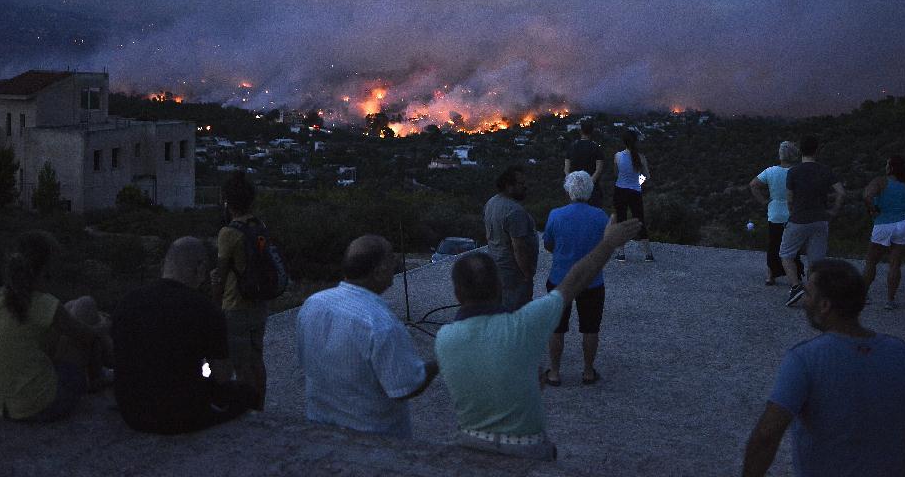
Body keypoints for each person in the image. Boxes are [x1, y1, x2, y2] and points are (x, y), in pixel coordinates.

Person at [435, 216, 641, 460]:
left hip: (469, 445)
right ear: (500, 286)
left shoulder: (444, 339)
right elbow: (574, 281)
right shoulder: (525, 324)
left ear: (458, 293)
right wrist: (608, 244)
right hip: (525, 449)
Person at [742, 258, 905, 477]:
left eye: (808, 294)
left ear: (824, 305)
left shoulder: (804, 360)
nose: (804, 301)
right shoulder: (901, 353)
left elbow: (766, 436)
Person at [296, 235, 439, 438]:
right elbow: (406, 387)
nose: (396, 262)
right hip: (375, 436)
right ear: (379, 270)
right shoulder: (381, 323)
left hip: (320, 428)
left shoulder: (312, 304)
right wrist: (439, 361)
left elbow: (306, 362)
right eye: (391, 258)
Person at [113, 237, 256, 434]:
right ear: (200, 268)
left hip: (132, 414)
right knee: (246, 393)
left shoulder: (127, 301)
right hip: (180, 417)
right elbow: (222, 375)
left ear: (165, 265)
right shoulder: (204, 309)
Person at [0, 230, 112, 422]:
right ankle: (98, 377)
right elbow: (87, 336)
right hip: (45, 404)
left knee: (72, 306)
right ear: (45, 271)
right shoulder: (41, 303)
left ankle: (103, 373)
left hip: (7, 407)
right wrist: (105, 324)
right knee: (86, 304)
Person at [542, 171, 608, 386]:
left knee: (556, 327)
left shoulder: (555, 215)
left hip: (560, 279)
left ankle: (554, 373)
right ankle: (588, 372)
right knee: (590, 328)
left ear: (568, 190)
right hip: (592, 280)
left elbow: (548, 245)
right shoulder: (600, 216)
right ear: (589, 191)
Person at [215, 170, 268, 409]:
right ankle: (260, 406)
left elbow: (221, 273)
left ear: (227, 202)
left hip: (235, 306)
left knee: (241, 364)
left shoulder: (229, 233)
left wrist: (214, 304)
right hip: (259, 303)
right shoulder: (259, 226)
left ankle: (248, 410)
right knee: (257, 359)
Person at [780, 135, 845, 307]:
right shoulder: (825, 170)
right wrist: (833, 211)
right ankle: (814, 295)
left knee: (786, 254)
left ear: (800, 151)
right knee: (816, 263)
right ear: (817, 150)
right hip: (821, 220)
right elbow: (841, 192)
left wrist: (791, 215)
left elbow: (789, 199)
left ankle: (796, 287)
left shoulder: (794, 171)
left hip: (799, 219)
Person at [861, 156, 905, 310]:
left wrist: (873, 209)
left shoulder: (881, 181)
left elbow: (867, 195)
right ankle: (890, 300)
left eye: (887, 164)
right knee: (895, 263)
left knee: (871, 261)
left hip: (884, 222)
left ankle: (863, 296)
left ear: (891, 168)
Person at [484, 165, 539, 310]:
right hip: (513, 274)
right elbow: (518, 248)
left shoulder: (491, 203)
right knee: (516, 317)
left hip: (495, 268)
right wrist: (527, 274)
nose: (525, 187)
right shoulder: (515, 211)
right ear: (509, 186)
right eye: (521, 184)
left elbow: (488, 236)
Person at [749, 141, 803, 286]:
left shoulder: (770, 171)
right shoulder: (798, 172)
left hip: (775, 213)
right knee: (793, 246)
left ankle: (770, 275)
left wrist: (764, 201)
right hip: (793, 214)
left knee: (773, 245)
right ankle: (795, 276)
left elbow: (753, 185)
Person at [612, 129, 653, 262]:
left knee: (621, 221)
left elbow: (616, 173)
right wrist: (637, 182)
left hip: (620, 191)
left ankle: (621, 253)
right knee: (640, 221)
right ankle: (648, 254)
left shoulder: (618, 156)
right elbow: (647, 176)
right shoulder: (641, 157)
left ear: (624, 141)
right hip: (635, 191)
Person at [564, 118, 605, 208]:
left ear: (580, 131)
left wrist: (572, 183)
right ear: (592, 132)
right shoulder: (596, 148)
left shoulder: (572, 147)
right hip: (593, 190)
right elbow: (598, 170)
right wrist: (589, 183)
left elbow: (566, 169)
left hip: (574, 190)